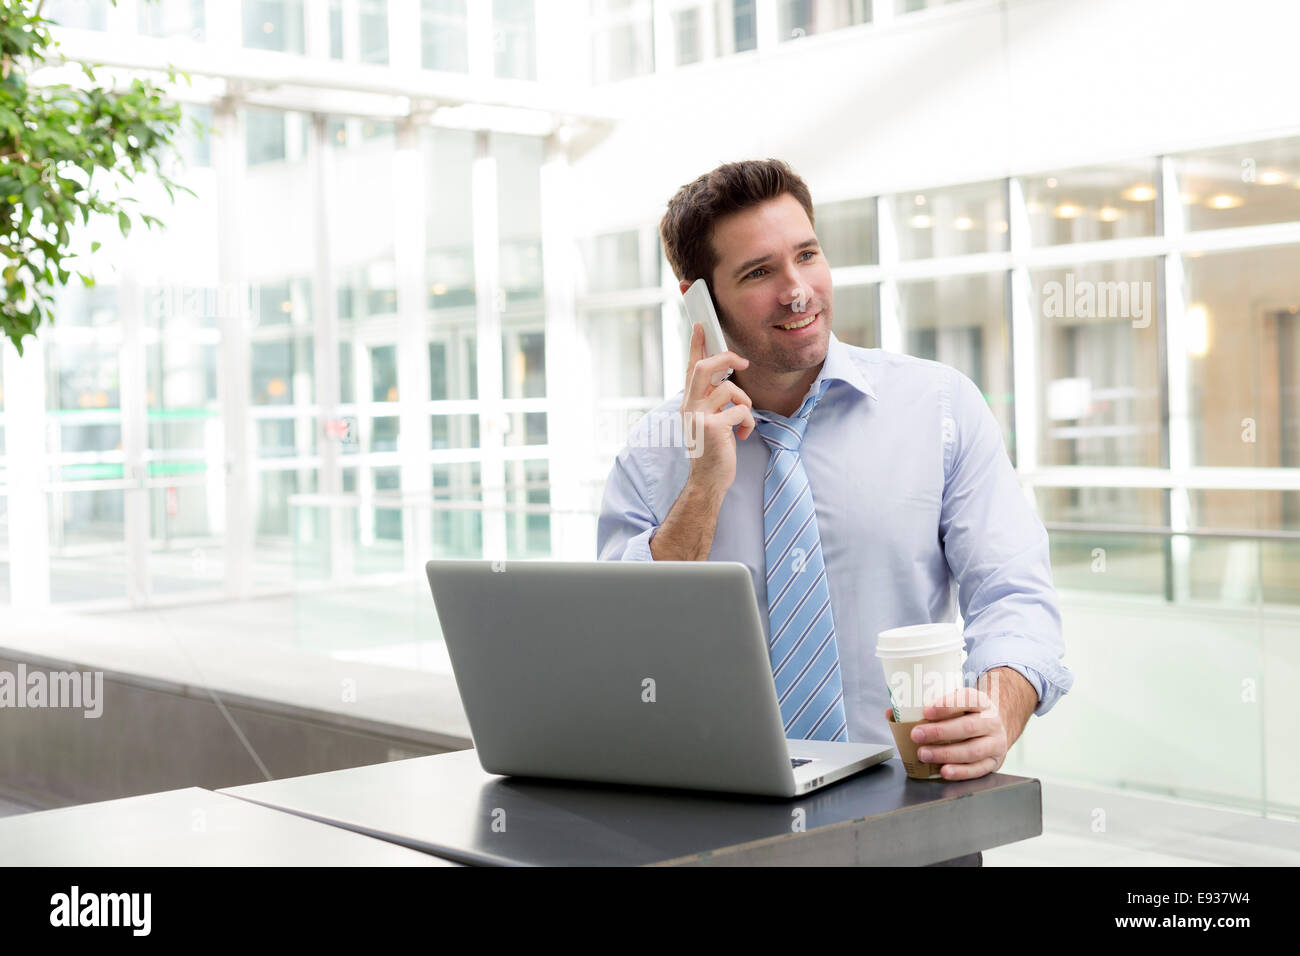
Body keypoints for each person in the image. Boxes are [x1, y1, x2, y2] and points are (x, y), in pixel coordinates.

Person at [596, 158, 1074, 787]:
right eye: (760, 272)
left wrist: (998, 712)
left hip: (916, 811)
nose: (798, 290)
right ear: (701, 305)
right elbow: (626, 656)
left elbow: (1014, 595)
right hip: (725, 822)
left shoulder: (940, 407)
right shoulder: (653, 454)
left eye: (808, 255)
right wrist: (705, 486)